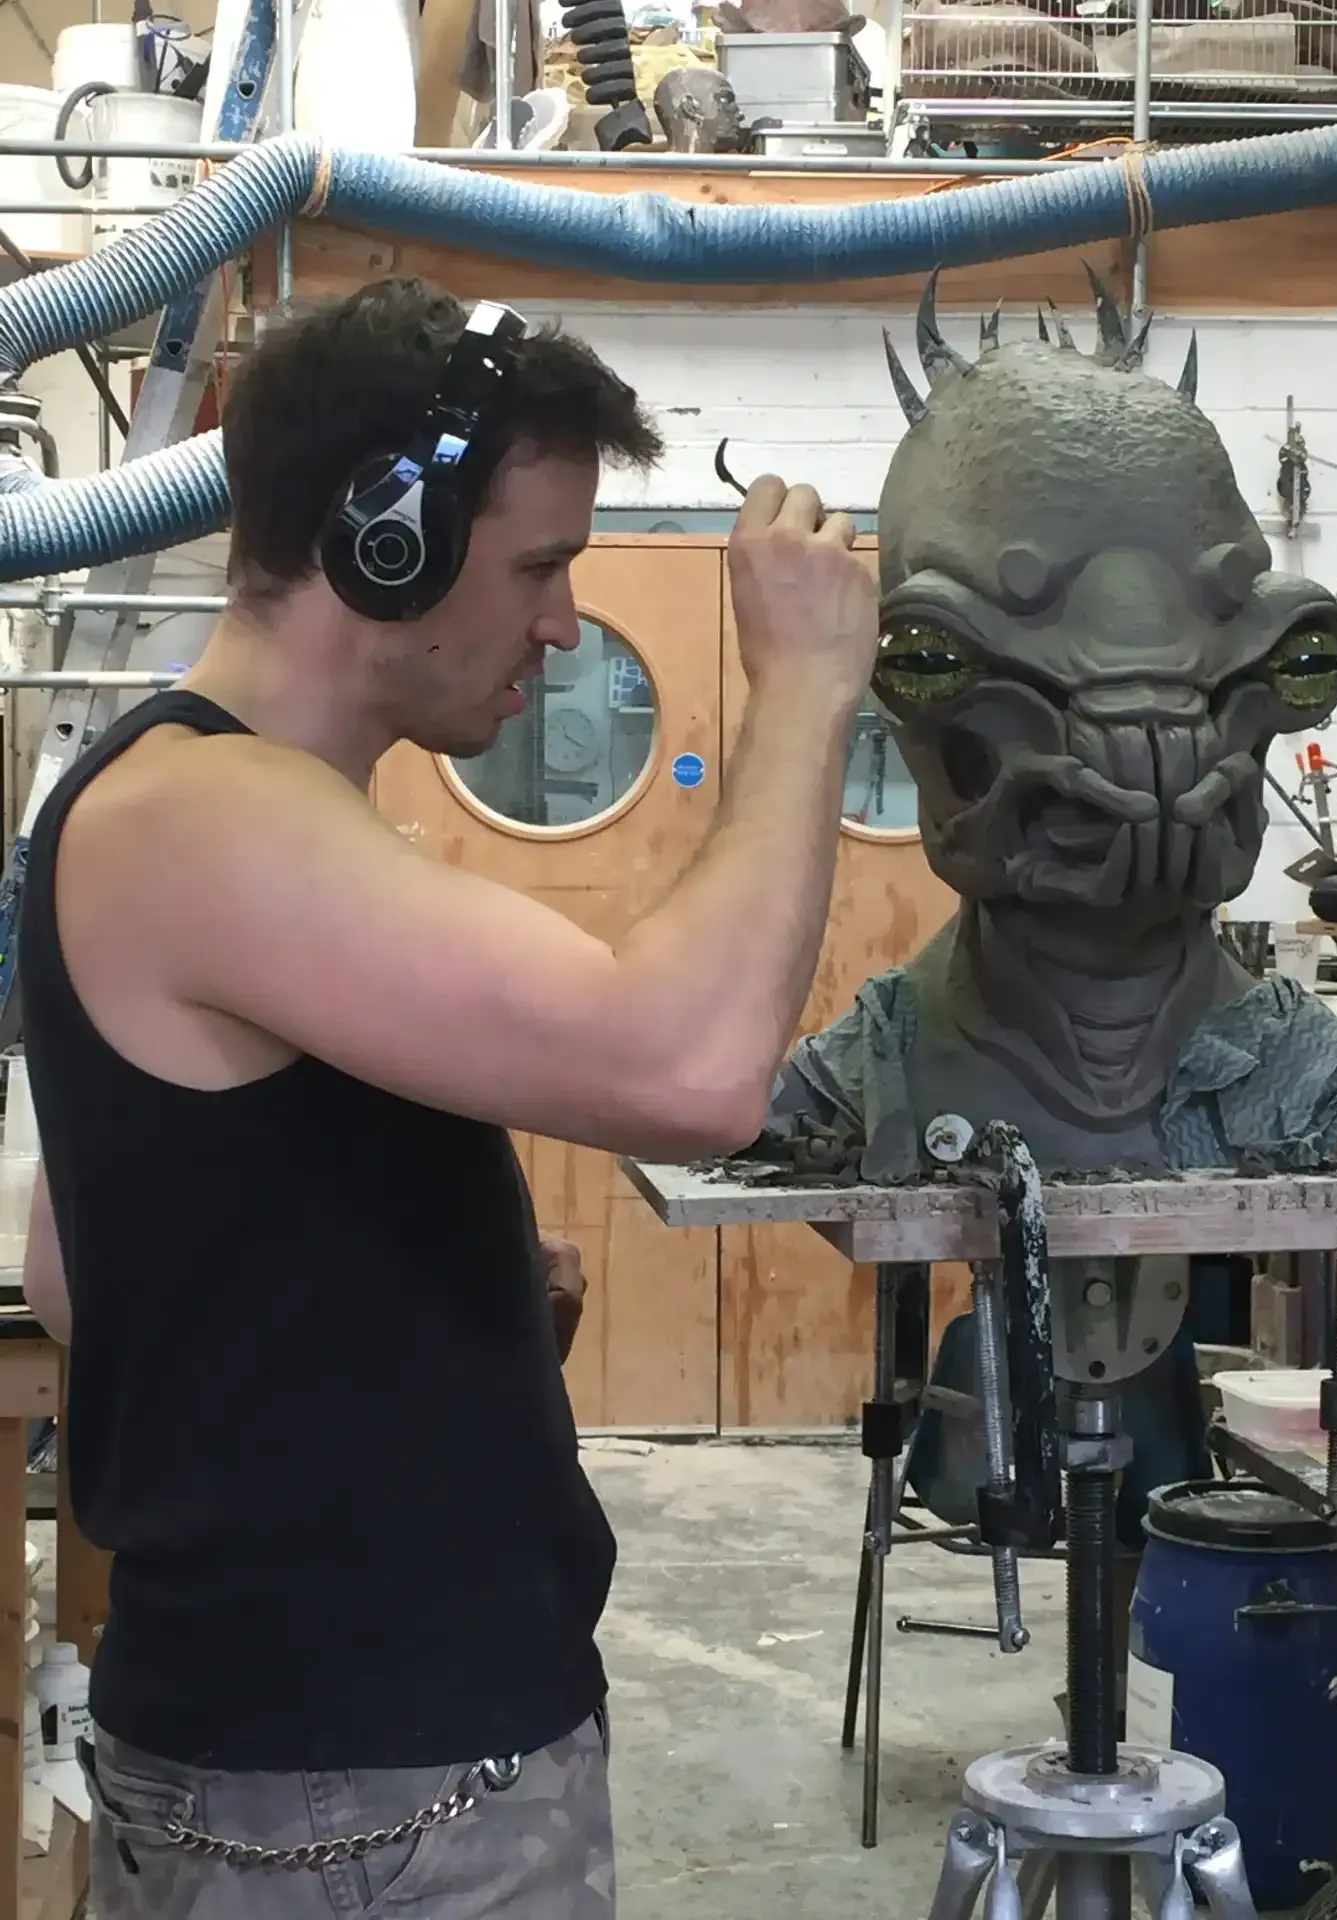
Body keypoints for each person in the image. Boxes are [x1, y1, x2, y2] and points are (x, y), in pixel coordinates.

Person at [18, 275, 878, 1919]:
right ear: (385, 541)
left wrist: (422, 1322)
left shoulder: (206, 815)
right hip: (367, 1804)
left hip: (330, 1775)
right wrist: (806, 691)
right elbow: (692, 1070)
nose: (561, 625)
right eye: (543, 566)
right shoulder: (206, 820)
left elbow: (84, 1267)